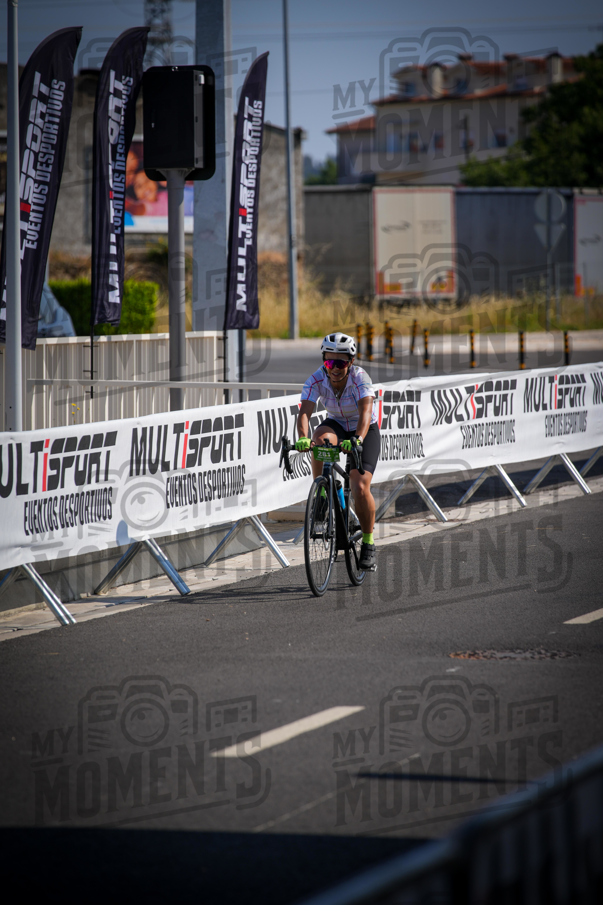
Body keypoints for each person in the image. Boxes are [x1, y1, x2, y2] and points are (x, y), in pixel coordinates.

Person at [295, 332, 380, 571]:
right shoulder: (316, 379)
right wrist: (303, 438)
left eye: (340, 363)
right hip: (337, 424)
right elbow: (305, 413)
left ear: (350, 362)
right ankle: (322, 495)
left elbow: (365, 414)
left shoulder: (361, 378)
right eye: (329, 362)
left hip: (364, 429)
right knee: (319, 439)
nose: (334, 368)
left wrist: (358, 440)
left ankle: (369, 542)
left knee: (360, 486)